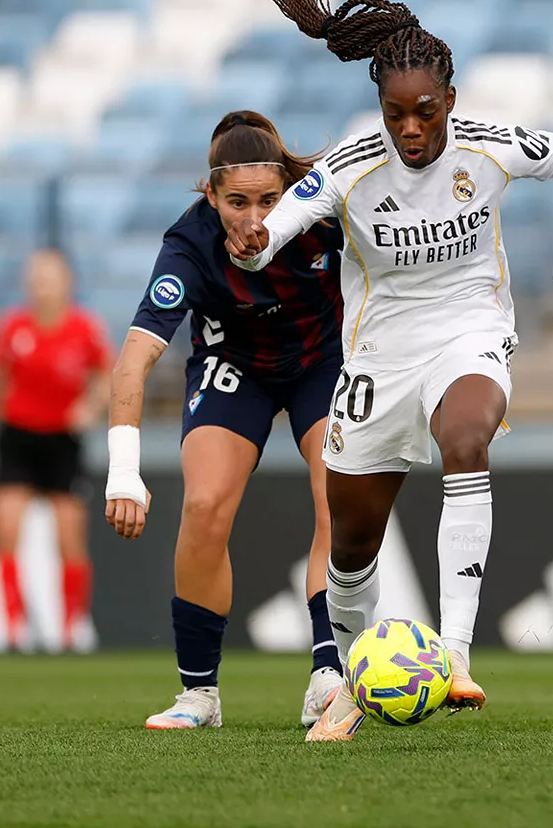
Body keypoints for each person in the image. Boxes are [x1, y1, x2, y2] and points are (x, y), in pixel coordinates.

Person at [221, 0, 553, 742]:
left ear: (451, 102)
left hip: (469, 331)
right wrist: (260, 243)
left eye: (425, 112)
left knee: (467, 438)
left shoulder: (489, 146)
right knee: (352, 546)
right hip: (377, 356)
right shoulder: (353, 163)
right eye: (396, 113)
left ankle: (458, 655)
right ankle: (352, 678)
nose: (410, 129)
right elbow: (285, 222)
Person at [105, 111, 347, 730]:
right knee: (205, 506)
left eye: (270, 199)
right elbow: (135, 359)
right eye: (237, 201)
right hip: (233, 365)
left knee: (336, 496)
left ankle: (328, 673)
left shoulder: (325, 212)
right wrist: (123, 472)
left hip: (323, 361)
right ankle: (199, 695)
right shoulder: (188, 246)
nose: (255, 218)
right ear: (211, 196)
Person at [0, 249, 110, 652]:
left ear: (66, 282)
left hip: (62, 442)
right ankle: (12, 632)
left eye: (48, 276)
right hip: (16, 437)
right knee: (6, 530)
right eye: (34, 276)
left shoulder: (84, 329)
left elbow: (109, 376)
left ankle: (72, 632)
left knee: (70, 537)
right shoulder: (11, 327)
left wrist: (89, 407)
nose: (40, 284)